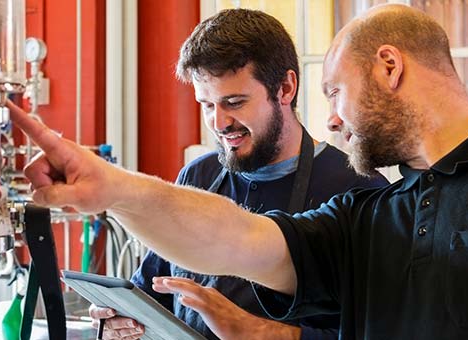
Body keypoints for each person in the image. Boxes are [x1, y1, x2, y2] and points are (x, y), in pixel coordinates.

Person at [10, 4, 468, 339]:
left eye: (336, 92)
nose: (335, 118)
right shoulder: (367, 218)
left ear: (390, 67)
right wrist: (113, 187)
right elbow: (239, 237)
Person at [85, 9, 388, 340]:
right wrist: (120, 316)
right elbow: (151, 293)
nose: (219, 123)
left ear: (285, 88)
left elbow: (377, 331)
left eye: (234, 102)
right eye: (207, 105)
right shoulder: (197, 177)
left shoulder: (359, 190)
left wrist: (256, 331)